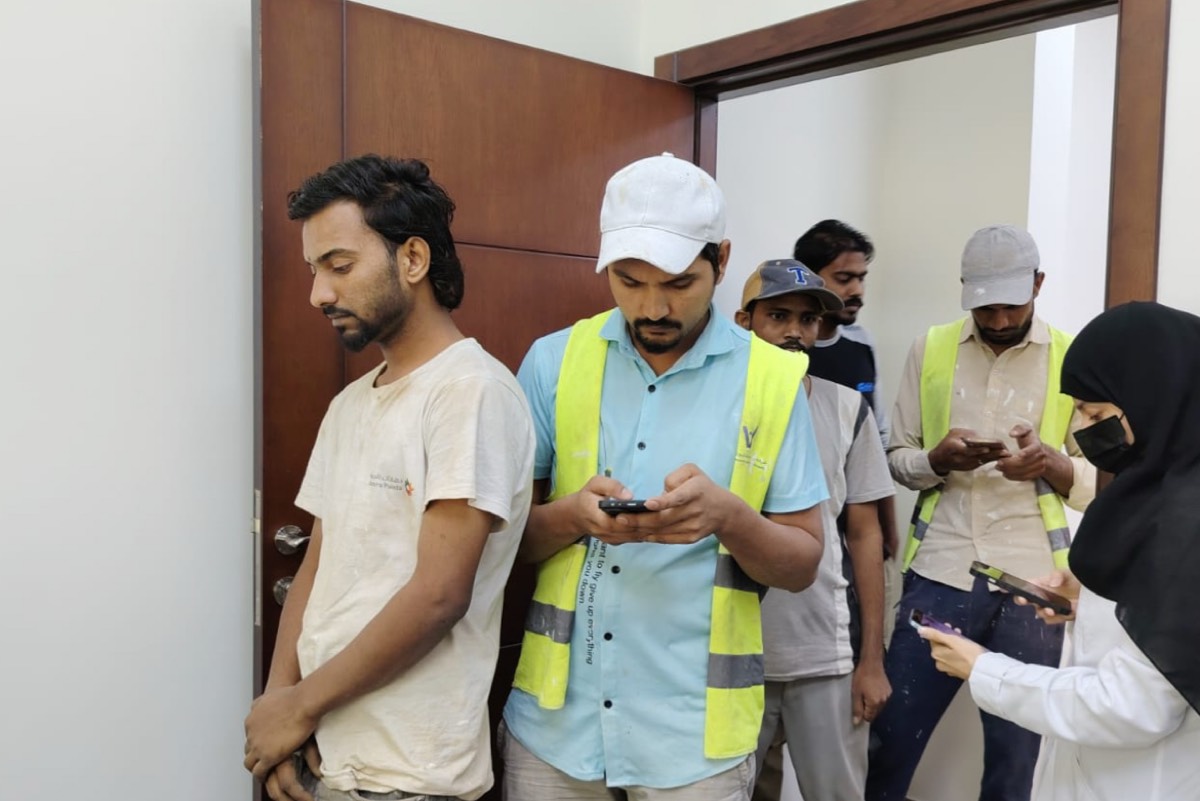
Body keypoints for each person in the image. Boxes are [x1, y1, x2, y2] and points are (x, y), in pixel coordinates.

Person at [500, 153, 829, 800]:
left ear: (722, 261)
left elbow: (801, 565)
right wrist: (571, 517)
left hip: (697, 741)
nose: (652, 306)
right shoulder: (553, 360)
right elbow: (500, 544)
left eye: (679, 283)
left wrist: (728, 517)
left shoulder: (772, 379)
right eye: (628, 281)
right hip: (555, 727)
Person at [242, 155, 535, 801]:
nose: (319, 294)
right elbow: (317, 566)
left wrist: (297, 707)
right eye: (314, 270)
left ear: (413, 259)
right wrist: (280, 707)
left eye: (339, 266)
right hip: (325, 749)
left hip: (409, 773)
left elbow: (439, 595)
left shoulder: (471, 393)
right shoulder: (351, 404)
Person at [917, 301, 1200, 801]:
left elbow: (1134, 707)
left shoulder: (1185, 525)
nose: (1084, 428)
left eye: (1097, 413)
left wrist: (985, 670)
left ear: (1156, 398)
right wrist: (1092, 603)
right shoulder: (1156, 495)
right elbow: (1158, 620)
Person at [866, 225, 1096, 801]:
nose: (998, 320)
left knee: (1017, 764)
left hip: (1032, 586)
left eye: (1010, 306)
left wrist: (1052, 464)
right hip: (939, 573)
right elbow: (895, 459)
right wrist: (937, 460)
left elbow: (1103, 482)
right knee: (890, 744)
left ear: (1038, 284)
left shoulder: (1072, 359)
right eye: (985, 307)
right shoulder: (931, 349)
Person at [735, 260, 895, 801]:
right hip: (732, 652)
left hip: (824, 652)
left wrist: (872, 660)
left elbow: (866, 536)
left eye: (807, 320)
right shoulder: (712, 406)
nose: (795, 332)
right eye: (778, 316)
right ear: (744, 321)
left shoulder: (847, 407)